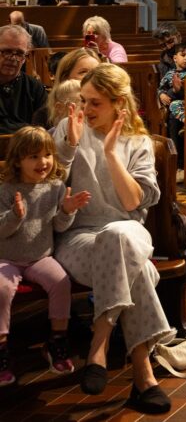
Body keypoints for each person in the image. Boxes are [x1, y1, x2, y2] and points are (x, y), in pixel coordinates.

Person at [53, 63, 177, 413]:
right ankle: (143, 376)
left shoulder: (138, 142)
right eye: (84, 100)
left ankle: (100, 341)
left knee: (118, 233)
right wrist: (69, 146)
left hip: (126, 231)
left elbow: (132, 203)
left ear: (118, 103)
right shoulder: (69, 128)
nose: (86, 109)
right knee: (139, 269)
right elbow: (47, 184)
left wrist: (110, 153)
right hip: (78, 237)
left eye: (95, 103)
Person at [0, 126, 91, 386]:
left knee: (61, 282)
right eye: (34, 157)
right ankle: (2, 348)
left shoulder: (55, 187)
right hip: (6, 258)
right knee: (1, 289)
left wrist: (67, 210)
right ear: (18, 160)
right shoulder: (6, 190)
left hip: (40, 257)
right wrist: (15, 216)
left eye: (47, 155)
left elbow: (59, 227)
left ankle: (56, 341)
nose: (43, 162)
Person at [0, 25, 46, 134]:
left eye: (20, 53)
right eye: (7, 51)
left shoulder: (35, 88)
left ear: (25, 58)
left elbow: (44, 127)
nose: (13, 58)